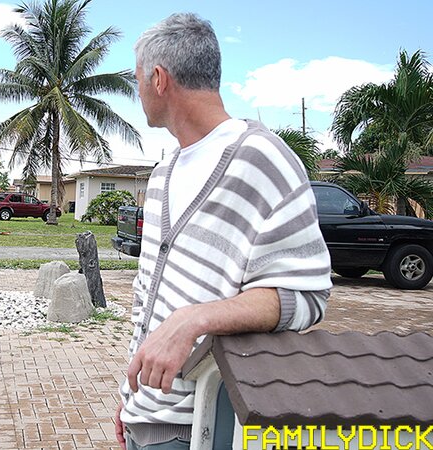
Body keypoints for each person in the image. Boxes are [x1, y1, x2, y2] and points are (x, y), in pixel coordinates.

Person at [115, 13, 332, 450]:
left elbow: (307, 298)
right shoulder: (161, 176)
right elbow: (147, 303)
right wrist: (128, 398)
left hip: (204, 428)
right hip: (144, 418)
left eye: (136, 79)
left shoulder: (263, 161)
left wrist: (194, 319)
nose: (136, 92)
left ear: (159, 79)